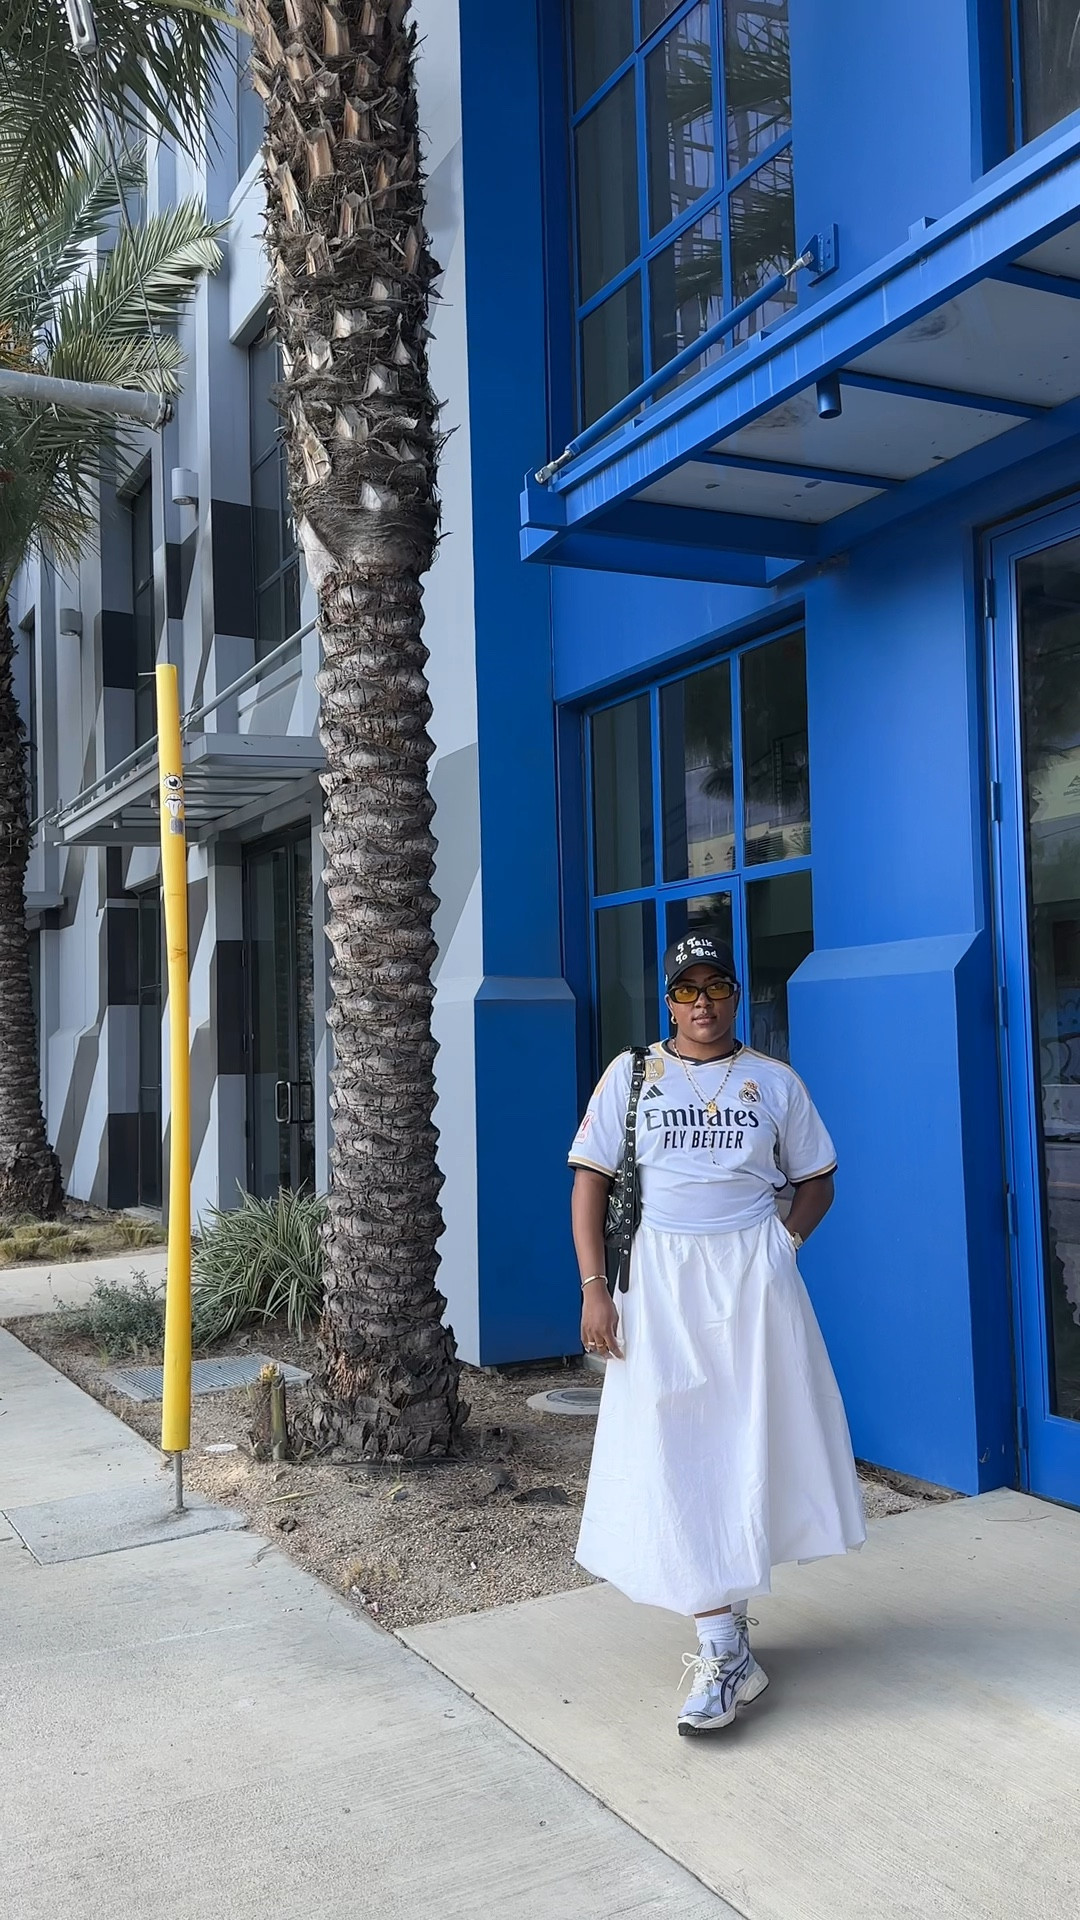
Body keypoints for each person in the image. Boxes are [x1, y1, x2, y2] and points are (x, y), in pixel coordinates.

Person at [568, 930, 865, 1737]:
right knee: (676, 1441)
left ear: (738, 995)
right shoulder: (632, 1076)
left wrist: (782, 1245)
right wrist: (597, 1287)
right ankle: (721, 1640)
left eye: (718, 987)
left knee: (745, 1437)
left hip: (752, 1276)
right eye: (686, 989)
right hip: (657, 1278)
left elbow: (818, 1177)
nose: (702, 1003)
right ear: (667, 999)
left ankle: (727, 1639)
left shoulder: (773, 1081)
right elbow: (590, 1180)